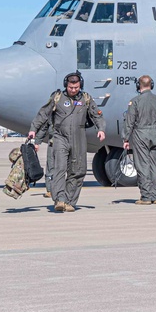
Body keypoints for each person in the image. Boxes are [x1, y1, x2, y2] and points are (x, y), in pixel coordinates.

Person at [28, 72, 105, 212]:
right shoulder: (57, 98)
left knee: (78, 170)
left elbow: (96, 115)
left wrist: (101, 129)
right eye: (71, 87)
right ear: (66, 85)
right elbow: (43, 114)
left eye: (76, 87)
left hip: (79, 137)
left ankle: (70, 201)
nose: (73, 90)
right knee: (59, 168)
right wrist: (33, 129)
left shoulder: (86, 98)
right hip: (60, 137)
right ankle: (59, 200)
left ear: (80, 85)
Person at [123, 75, 156, 205]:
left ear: (139, 85)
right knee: (154, 165)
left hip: (141, 133)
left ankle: (146, 196)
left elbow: (129, 122)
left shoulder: (135, 101)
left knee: (142, 165)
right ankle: (155, 195)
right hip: (155, 133)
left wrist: (125, 138)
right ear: (151, 85)